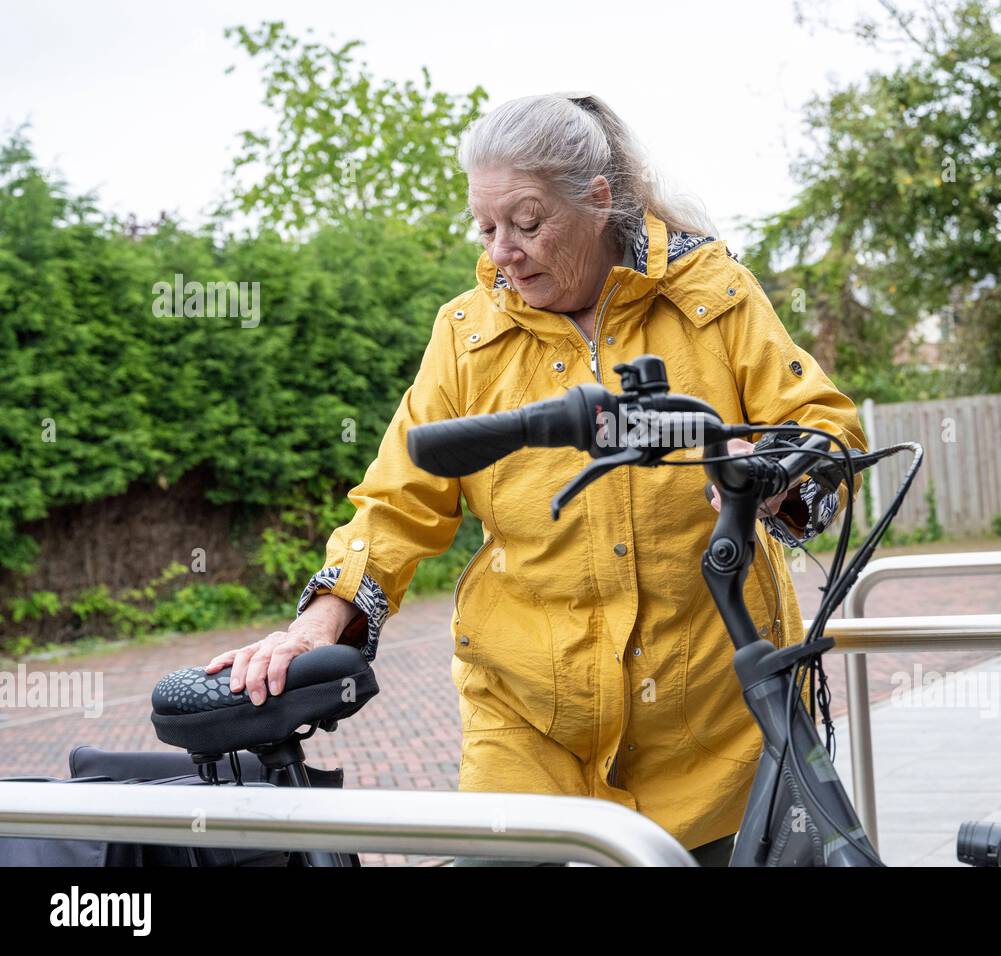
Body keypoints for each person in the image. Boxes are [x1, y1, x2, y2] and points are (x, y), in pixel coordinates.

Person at [205, 92, 867, 866]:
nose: (504, 252)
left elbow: (825, 428)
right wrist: (318, 619)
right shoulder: (466, 334)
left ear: (597, 199)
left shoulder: (711, 296)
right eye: (486, 228)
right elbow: (397, 500)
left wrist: (783, 474)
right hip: (526, 726)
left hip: (713, 725)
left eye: (526, 223)